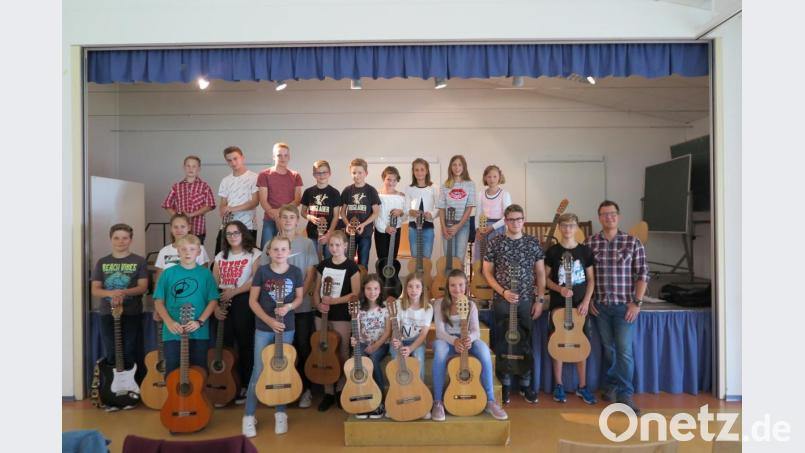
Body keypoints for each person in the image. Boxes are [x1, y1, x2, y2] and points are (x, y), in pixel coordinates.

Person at [585, 200, 649, 415]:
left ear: (618, 216)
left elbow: (643, 275)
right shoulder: (590, 243)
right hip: (600, 307)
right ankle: (610, 386)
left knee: (624, 352)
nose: (608, 217)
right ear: (599, 218)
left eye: (612, 214)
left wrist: (637, 303)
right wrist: (589, 299)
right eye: (604, 214)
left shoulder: (632, 242)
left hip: (624, 308)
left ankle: (625, 394)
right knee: (609, 350)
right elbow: (584, 276)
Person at [242, 235, 305, 437]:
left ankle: (280, 413)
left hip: (287, 328)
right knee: (258, 370)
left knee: (282, 369)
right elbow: (253, 302)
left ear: (289, 251)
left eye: (283, 249)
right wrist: (269, 321)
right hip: (263, 327)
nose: (279, 253)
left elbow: (299, 298)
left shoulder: (295, 272)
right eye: (275, 249)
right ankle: (249, 416)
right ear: (268, 252)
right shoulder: (262, 271)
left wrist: (288, 307)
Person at [482, 204, 545, 404]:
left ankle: (526, 385)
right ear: (505, 220)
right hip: (502, 301)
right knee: (503, 342)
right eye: (511, 219)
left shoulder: (533, 243)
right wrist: (503, 292)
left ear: (523, 220)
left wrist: (540, 300)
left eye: (519, 219)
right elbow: (487, 273)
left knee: (525, 342)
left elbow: (541, 273)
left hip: (526, 301)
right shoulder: (495, 242)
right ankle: (506, 385)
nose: (515, 223)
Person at [430, 270, 507, 421]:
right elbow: (439, 332)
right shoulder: (439, 304)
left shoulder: (471, 305)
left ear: (466, 286)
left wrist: (469, 339)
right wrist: (454, 341)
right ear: (447, 286)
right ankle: (437, 401)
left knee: (484, 350)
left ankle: (490, 401)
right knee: (439, 352)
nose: (457, 289)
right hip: (447, 340)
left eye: (460, 285)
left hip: (466, 340)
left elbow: (476, 331)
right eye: (453, 285)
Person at [266, 204, 320, 409]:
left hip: (301, 306)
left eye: (291, 217)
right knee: (282, 350)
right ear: (278, 220)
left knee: (303, 346)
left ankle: (305, 389)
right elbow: (266, 275)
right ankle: (284, 389)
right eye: (284, 217)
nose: (288, 221)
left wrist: (296, 299)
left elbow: (311, 274)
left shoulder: (306, 243)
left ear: (298, 221)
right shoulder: (270, 244)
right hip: (277, 310)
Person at [91, 223, 148, 410]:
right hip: (108, 314)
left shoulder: (139, 261)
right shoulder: (102, 262)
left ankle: (130, 393)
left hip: (131, 313)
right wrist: (111, 294)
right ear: (111, 239)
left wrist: (121, 292)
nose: (121, 241)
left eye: (125, 238)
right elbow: (95, 289)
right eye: (117, 237)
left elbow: (142, 287)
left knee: (129, 350)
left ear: (131, 240)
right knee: (111, 352)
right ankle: (111, 394)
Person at [544, 213, 597, 405]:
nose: (568, 229)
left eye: (571, 225)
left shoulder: (585, 252)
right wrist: (560, 288)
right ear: (559, 227)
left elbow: (591, 280)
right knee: (557, 342)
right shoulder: (552, 252)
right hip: (559, 307)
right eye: (564, 225)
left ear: (577, 228)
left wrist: (586, 301)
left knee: (580, 344)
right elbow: (545, 280)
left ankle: (583, 387)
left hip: (580, 308)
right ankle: (558, 385)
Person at [152, 235, 218, 377]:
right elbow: (158, 301)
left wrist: (199, 321)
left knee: (199, 373)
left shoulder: (206, 274)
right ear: (178, 252)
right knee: (173, 373)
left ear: (199, 252)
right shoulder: (168, 273)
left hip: (198, 332)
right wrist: (169, 322)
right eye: (184, 249)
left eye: (192, 249)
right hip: (173, 332)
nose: (188, 253)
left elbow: (213, 301)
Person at [212, 220, 262, 405]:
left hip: (243, 299)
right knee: (225, 346)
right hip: (223, 300)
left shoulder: (254, 254)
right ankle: (225, 385)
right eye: (229, 234)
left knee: (245, 344)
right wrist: (215, 306)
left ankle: (246, 385)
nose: (232, 236)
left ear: (243, 234)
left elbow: (255, 280)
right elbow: (213, 283)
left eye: (236, 233)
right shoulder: (220, 256)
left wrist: (234, 291)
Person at [312, 230, 362, 411]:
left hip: (342, 316)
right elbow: (316, 290)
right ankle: (328, 392)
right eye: (331, 245)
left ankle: (341, 389)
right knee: (324, 350)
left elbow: (356, 294)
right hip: (322, 316)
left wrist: (334, 301)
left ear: (345, 245)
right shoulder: (323, 265)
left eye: (337, 245)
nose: (334, 248)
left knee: (341, 352)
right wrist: (318, 305)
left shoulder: (352, 267)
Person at [349, 274, 391, 419]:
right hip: (363, 342)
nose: (372, 292)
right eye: (368, 289)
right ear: (363, 290)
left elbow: (387, 332)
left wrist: (376, 345)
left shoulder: (385, 308)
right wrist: (354, 340)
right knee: (356, 361)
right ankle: (361, 396)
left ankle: (379, 400)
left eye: (375, 288)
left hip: (381, 344)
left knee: (373, 360)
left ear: (380, 290)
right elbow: (356, 330)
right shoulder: (358, 308)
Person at [161, 155, 216, 245]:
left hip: (198, 229)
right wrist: (179, 217)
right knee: (179, 253)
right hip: (180, 230)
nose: (191, 169)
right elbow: (167, 204)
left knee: (197, 255)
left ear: (199, 169)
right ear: (184, 167)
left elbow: (210, 205)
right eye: (188, 166)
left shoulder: (204, 186)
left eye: (194, 166)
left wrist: (191, 214)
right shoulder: (176, 186)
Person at [257, 142, 303, 249]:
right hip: (270, 219)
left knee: (288, 251)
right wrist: (276, 215)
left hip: (288, 221)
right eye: (279, 155)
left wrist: (281, 214)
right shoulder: (264, 175)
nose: (282, 158)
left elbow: (297, 200)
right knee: (266, 250)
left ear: (289, 157)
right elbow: (263, 201)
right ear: (274, 157)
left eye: (285, 155)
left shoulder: (296, 176)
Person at [217, 146, 259, 256]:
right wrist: (222, 210)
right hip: (226, 227)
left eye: (236, 158)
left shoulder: (254, 177)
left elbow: (254, 202)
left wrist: (231, 209)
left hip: (247, 227)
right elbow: (222, 204)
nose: (233, 162)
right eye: (229, 160)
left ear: (242, 158)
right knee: (221, 258)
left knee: (247, 259)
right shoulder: (225, 180)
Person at [389, 274, 431, 384]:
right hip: (400, 338)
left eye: (417, 286)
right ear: (405, 288)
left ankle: (420, 387)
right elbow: (396, 326)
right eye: (410, 286)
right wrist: (396, 340)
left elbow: (423, 334)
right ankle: (398, 388)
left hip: (417, 341)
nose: (414, 290)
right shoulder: (399, 303)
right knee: (396, 359)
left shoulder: (428, 308)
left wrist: (411, 349)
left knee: (418, 360)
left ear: (422, 289)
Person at [340, 158, 381, 268]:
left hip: (365, 233)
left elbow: (376, 212)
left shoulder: (371, 190)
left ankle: (362, 284)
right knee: (347, 261)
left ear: (366, 173)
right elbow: (342, 212)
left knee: (363, 263)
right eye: (354, 173)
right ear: (350, 173)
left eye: (360, 173)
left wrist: (363, 225)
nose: (356, 175)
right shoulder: (347, 190)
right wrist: (347, 224)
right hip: (349, 233)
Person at [437, 155, 476, 265]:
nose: (457, 167)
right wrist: (444, 228)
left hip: (463, 224)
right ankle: (450, 281)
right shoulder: (445, 185)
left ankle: (459, 282)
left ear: (464, 167)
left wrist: (458, 226)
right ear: (450, 167)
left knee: (459, 257)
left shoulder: (470, 184)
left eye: (460, 165)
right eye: (454, 164)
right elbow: (441, 208)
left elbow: (469, 207)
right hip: (447, 224)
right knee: (449, 257)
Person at [154, 214, 211, 287]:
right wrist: (157, 297)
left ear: (189, 227)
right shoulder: (164, 251)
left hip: (193, 292)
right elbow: (159, 280)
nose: (179, 230)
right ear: (171, 229)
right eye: (175, 227)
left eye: (182, 227)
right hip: (169, 295)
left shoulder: (200, 249)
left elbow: (204, 277)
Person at [300, 160, 341, 260]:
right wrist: (309, 217)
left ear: (329, 173)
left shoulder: (334, 193)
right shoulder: (308, 192)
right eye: (318, 173)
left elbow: (336, 216)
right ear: (314, 174)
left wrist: (328, 234)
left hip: (329, 235)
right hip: (312, 233)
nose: (322, 175)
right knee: (313, 262)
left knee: (328, 260)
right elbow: (303, 212)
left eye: (324, 172)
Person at [374, 166, 406, 292]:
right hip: (381, 230)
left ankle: (392, 286)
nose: (391, 182)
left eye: (394, 180)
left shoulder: (401, 196)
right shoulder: (377, 196)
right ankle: (381, 287)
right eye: (388, 179)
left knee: (392, 259)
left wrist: (401, 212)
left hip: (396, 230)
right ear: (384, 179)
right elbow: (376, 215)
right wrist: (385, 227)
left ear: (397, 180)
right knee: (382, 258)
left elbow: (406, 216)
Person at [473, 165, 511, 261]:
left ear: (499, 177)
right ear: (485, 178)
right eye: (489, 176)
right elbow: (478, 213)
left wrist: (492, 227)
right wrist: (478, 229)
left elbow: (507, 217)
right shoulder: (480, 194)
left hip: (498, 229)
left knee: (496, 258)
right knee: (480, 257)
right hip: (483, 228)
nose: (492, 179)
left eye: (495, 176)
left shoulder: (505, 194)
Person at [404, 158, 439, 260]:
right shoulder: (409, 188)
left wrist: (431, 214)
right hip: (413, 227)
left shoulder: (434, 187)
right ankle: (416, 276)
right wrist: (410, 211)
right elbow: (405, 208)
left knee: (426, 258)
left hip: (428, 227)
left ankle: (424, 276)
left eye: (422, 169)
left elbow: (438, 207)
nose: (419, 172)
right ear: (413, 171)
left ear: (427, 171)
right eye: (416, 170)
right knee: (415, 257)